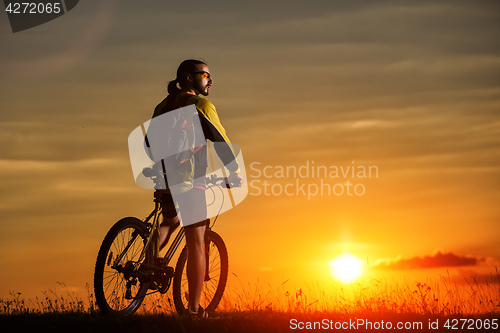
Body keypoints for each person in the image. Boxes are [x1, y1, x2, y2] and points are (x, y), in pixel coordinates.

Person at [151, 59, 243, 317]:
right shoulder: (201, 105)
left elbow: (149, 141)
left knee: (169, 221)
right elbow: (220, 139)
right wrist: (233, 171)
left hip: (163, 178)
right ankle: (193, 310)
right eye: (205, 75)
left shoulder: (163, 105)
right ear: (189, 78)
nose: (210, 80)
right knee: (197, 241)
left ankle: (149, 267)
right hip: (191, 181)